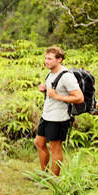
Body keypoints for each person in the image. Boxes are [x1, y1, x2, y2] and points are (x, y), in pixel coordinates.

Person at [34, 46, 83, 177]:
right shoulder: (51, 73)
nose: (46, 61)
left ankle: (54, 180)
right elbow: (54, 91)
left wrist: (57, 96)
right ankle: (44, 174)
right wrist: (45, 89)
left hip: (59, 118)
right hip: (47, 115)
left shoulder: (67, 76)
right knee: (39, 143)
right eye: (45, 58)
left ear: (59, 59)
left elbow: (79, 97)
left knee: (55, 148)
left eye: (49, 58)